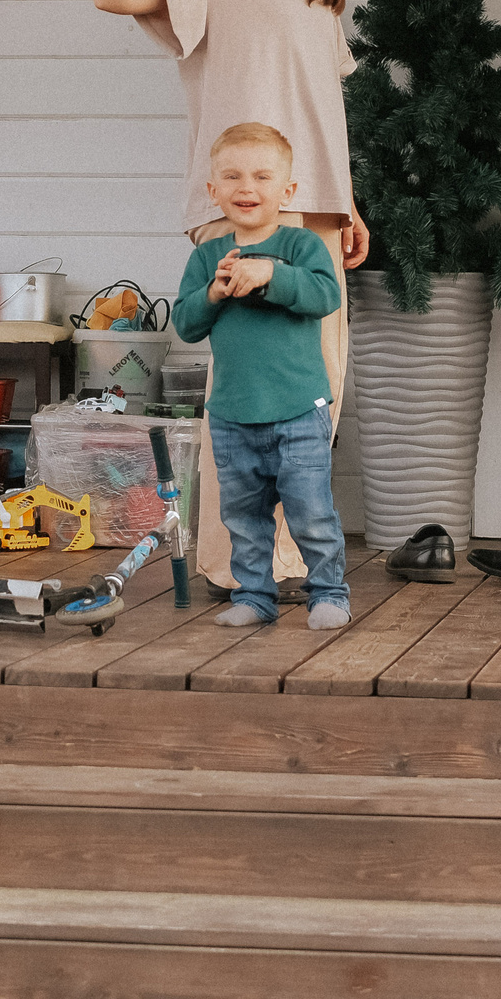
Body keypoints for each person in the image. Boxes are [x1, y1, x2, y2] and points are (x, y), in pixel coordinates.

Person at [91, 0, 367, 594]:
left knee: (314, 401)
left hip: (316, 212)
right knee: (249, 402)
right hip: (244, 213)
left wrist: (349, 203)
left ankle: (278, 565)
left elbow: (320, 101)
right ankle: (231, 565)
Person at [172, 123, 349, 628]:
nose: (246, 188)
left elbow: (324, 297)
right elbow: (186, 324)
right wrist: (214, 291)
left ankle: (329, 595)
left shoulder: (302, 246)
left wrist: (271, 275)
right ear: (213, 191)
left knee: (310, 514)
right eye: (231, 176)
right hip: (232, 415)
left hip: (299, 409)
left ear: (287, 191)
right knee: (243, 520)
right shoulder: (208, 256)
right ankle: (253, 597)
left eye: (262, 176)